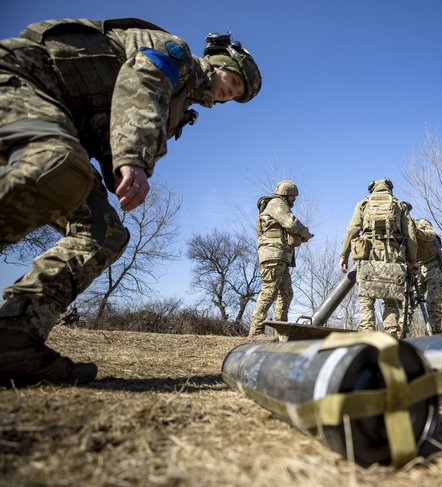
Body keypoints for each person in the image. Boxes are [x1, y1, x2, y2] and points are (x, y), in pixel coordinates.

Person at [0, 18, 262, 387]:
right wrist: (133, 161)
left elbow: (109, 137)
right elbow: (142, 81)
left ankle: (14, 341)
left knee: (104, 232)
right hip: (24, 80)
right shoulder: (175, 54)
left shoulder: (179, 107)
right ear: (217, 64)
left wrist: (120, 171)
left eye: (237, 94)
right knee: (56, 167)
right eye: (233, 81)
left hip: (62, 129)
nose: (231, 93)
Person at [339, 178, 417, 337]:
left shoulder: (363, 204)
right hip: (393, 256)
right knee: (390, 300)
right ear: (390, 189)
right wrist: (412, 261)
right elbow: (411, 236)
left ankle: (367, 338)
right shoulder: (399, 205)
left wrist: (344, 255)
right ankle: (391, 338)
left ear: (372, 189)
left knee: (366, 299)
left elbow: (352, 230)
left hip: (368, 255)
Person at [248, 180, 313, 337]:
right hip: (273, 254)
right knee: (269, 291)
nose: (294, 200)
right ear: (285, 194)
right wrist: (306, 233)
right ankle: (256, 331)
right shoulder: (277, 203)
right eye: (293, 196)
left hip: (281, 255)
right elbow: (290, 223)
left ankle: (280, 332)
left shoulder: (278, 205)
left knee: (286, 293)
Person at [405, 217, 442, 335]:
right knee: (408, 301)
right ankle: (401, 333)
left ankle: (434, 334)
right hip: (416, 267)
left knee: (433, 302)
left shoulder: (420, 223)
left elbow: (431, 235)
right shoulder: (400, 229)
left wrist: (415, 231)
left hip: (434, 264)